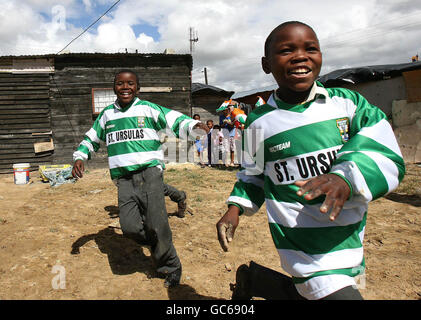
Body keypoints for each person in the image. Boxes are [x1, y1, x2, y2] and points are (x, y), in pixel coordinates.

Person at [216, 21, 405, 300]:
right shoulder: (258, 123)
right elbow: (253, 175)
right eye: (286, 50)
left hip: (348, 234)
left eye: (311, 48)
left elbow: (383, 146)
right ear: (266, 64)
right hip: (300, 240)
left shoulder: (347, 103)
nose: (300, 56)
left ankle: (257, 281)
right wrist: (235, 209)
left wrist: (345, 177)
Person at [72, 69, 209, 288]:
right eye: (120, 83)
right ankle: (157, 243)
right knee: (129, 227)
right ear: (114, 87)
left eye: (130, 84)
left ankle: (171, 266)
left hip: (150, 173)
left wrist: (193, 126)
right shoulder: (107, 114)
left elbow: (174, 120)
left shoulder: (148, 109)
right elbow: (91, 138)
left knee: (157, 223)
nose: (125, 87)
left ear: (138, 87)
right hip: (124, 179)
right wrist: (80, 157)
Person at [217, 100, 246, 166]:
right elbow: (220, 126)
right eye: (223, 111)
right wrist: (224, 123)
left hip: (232, 134)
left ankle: (232, 162)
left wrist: (230, 122)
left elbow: (233, 125)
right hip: (225, 134)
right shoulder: (221, 117)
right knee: (225, 149)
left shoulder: (233, 115)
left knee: (232, 148)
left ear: (228, 110)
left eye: (225, 110)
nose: (224, 112)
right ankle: (226, 162)